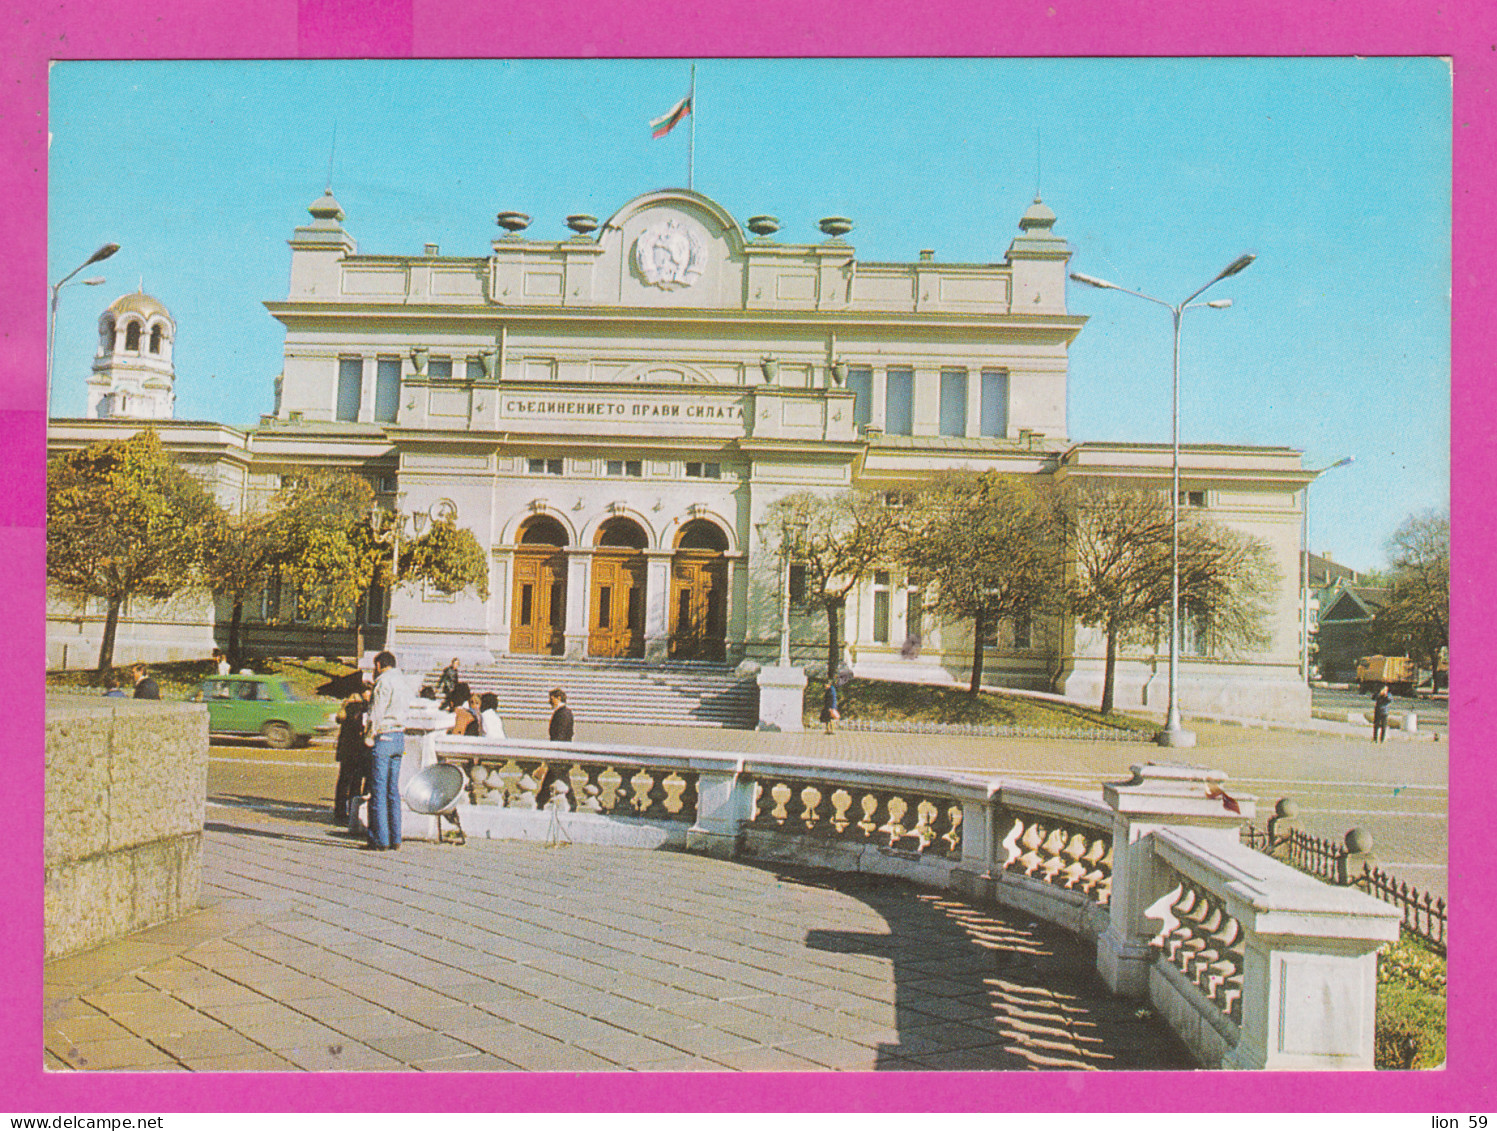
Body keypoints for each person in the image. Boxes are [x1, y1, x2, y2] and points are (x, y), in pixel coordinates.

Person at [363, 650, 414, 851]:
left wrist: (369, 735)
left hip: (384, 735)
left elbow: (377, 711)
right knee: (393, 791)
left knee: (378, 789)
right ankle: (395, 837)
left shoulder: (384, 682)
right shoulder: (403, 681)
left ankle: (379, 839)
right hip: (399, 736)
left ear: (378, 665)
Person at [333, 682, 371, 824]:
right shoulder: (358, 708)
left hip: (347, 750)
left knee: (344, 781)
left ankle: (341, 810)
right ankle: (351, 811)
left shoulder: (349, 707)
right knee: (354, 782)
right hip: (355, 750)